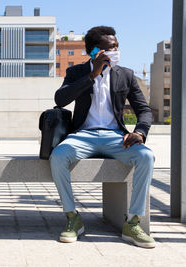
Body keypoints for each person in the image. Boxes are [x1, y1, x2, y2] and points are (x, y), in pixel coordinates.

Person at [50, 26, 156, 248]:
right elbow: (60, 99)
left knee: (146, 156)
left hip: (116, 137)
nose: (116, 50)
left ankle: (133, 222)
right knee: (58, 156)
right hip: (82, 136)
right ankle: (72, 217)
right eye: (111, 47)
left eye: (117, 46)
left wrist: (139, 132)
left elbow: (144, 110)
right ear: (95, 52)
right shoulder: (77, 72)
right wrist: (92, 75)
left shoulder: (125, 75)